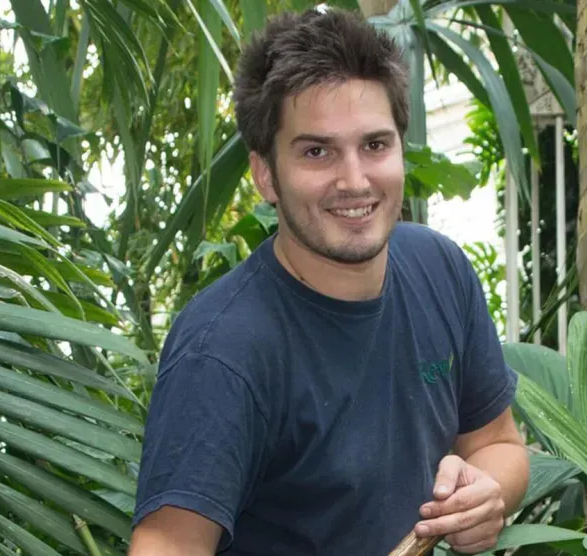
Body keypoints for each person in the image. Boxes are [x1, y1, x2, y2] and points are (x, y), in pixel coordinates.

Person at [127, 8, 527, 555]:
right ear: (266, 174)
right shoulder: (222, 352)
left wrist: (484, 494)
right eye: (317, 151)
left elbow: (498, 444)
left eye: (375, 145)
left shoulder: (441, 271)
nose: (355, 180)